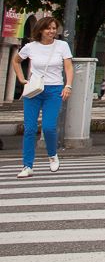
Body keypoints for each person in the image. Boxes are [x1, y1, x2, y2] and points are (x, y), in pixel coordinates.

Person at [11, 16, 73, 178]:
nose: (52, 31)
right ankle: (27, 165)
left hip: (54, 89)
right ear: (40, 30)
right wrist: (21, 78)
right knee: (29, 129)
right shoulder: (30, 47)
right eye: (48, 28)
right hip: (34, 89)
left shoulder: (62, 46)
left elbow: (68, 67)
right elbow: (16, 61)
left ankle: (52, 155)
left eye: (54, 28)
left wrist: (68, 85)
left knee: (48, 127)